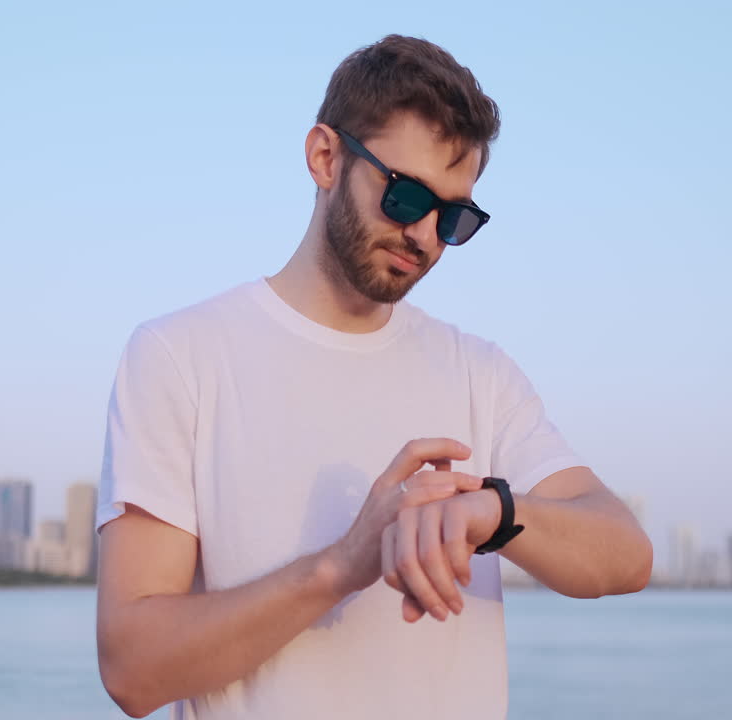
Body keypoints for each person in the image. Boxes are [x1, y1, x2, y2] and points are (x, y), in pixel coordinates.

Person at [94, 34, 652, 720]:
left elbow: (625, 554)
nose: (423, 236)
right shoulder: (180, 357)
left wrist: (495, 511)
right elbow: (133, 668)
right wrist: (343, 565)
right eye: (406, 196)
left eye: (453, 217)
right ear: (325, 157)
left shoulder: (480, 373)